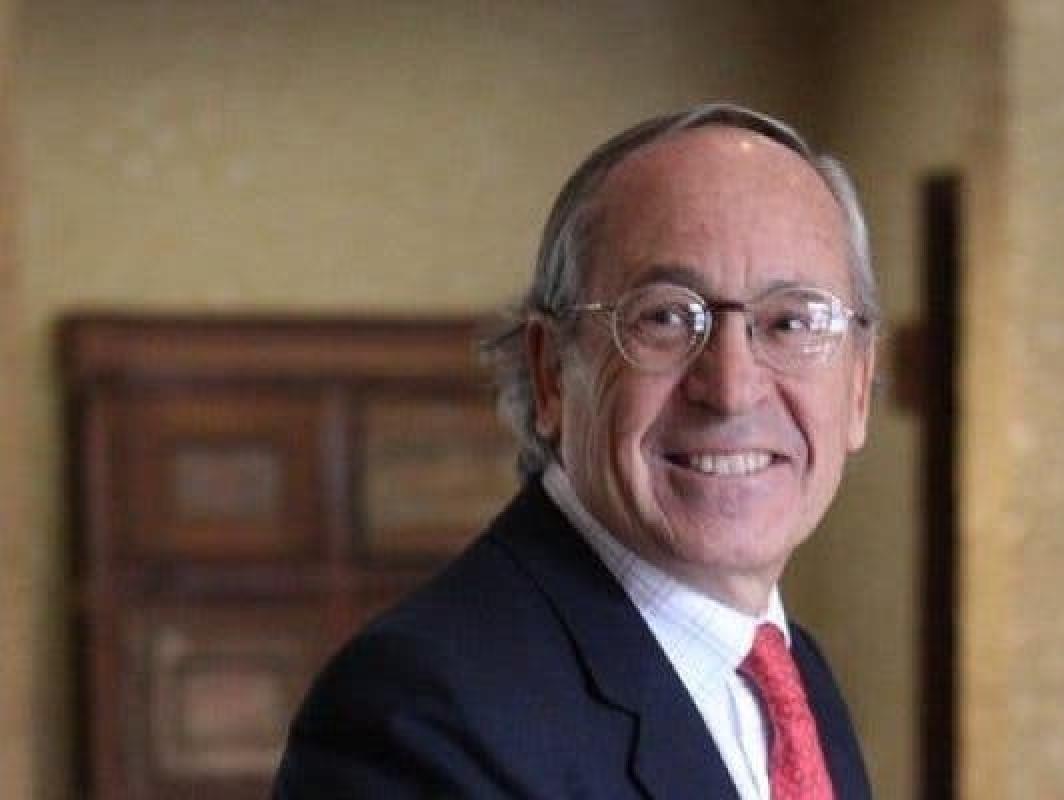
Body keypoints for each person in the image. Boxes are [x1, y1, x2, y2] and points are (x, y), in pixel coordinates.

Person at [273, 103, 877, 799]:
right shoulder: (418, 715)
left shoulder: (793, 678)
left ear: (859, 387)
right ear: (552, 372)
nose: (733, 390)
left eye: (792, 322)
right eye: (666, 317)